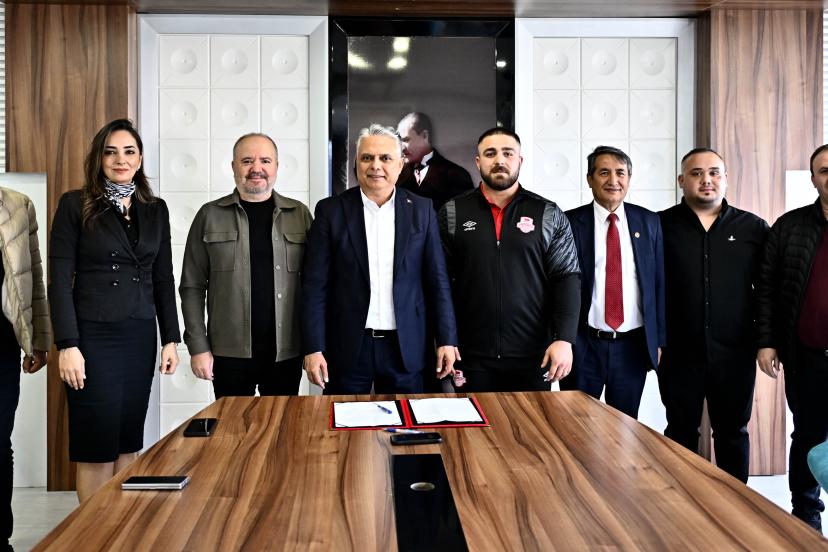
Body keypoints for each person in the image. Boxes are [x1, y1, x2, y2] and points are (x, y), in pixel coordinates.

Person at [49, 119, 180, 502]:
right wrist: (68, 344)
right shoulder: (75, 204)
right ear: (99, 158)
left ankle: (121, 529)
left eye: (129, 151)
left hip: (139, 336)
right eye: (110, 152)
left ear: (139, 159)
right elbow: (59, 280)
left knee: (127, 442)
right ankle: (94, 531)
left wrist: (170, 339)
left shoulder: (155, 209)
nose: (120, 159)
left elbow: (163, 278)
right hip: (92, 338)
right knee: (96, 447)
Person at [302, 123, 458, 394]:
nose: (376, 166)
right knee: (345, 420)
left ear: (400, 164)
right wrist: (313, 347)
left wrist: (446, 339)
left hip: (406, 346)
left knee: (407, 420)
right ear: (356, 163)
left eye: (385, 158)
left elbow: (437, 281)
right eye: (367, 157)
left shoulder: (421, 210)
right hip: (348, 347)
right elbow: (315, 285)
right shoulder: (331, 211)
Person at [438, 128, 580, 392]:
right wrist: (444, 338)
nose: (499, 160)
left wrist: (564, 339)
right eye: (490, 154)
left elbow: (567, 278)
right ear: (478, 162)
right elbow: (439, 282)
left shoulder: (547, 213)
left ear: (520, 161)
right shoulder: (452, 212)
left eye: (508, 153)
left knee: (529, 421)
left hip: (534, 356)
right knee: (474, 420)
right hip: (470, 355)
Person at [659, 148, 768, 483]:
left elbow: (767, 291)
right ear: (681, 180)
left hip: (735, 351)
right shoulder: (659, 225)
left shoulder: (753, 228)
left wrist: (766, 341)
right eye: (696, 173)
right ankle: (683, 502)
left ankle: (737, 504)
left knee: (733, 431)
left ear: (725, 178)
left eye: (714, 172)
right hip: (678, 352)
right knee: (680, 430)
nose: (706, 180)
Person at [180, 133, 312, 397]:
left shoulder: (299, 215)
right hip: (228, 353)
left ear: (277, 166)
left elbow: (315, 285)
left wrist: (314, 346)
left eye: (265, 161)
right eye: (247, 161)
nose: (256, 168)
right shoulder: (209, 215)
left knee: (281, 423)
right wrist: (198, 346)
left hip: (286, 352)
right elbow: (192, 286)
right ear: (233, 167)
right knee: (231, 424)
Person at [561, 146, 665, 419]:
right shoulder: (569, 222)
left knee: (626, 427)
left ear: (629, 178)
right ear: (590, 179)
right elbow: (558, 286)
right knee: (576, 425)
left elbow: (658, 284)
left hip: (632, 347)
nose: (613, 180)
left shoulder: (649, 222)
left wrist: (658, 340)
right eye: (604, 172)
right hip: (583, 344)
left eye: (620, 173)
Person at [756, 144, 828, 531]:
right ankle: (806, 512)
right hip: (808, 357)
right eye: (824, 171)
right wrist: (767, 341)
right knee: (809, 436)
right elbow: (766, 289)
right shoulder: (789, 227)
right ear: (814, 179)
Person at [0, 187, 51, 551]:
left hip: (1, 343)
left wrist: (41, 339)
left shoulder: (18, 204)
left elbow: (33, 275)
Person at [396, 112, 474, 211]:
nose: (402, 148)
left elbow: (465, 216)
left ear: (425, 136)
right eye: (399, 142)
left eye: (406, 140)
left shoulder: (458, 176)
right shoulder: (398, 175)